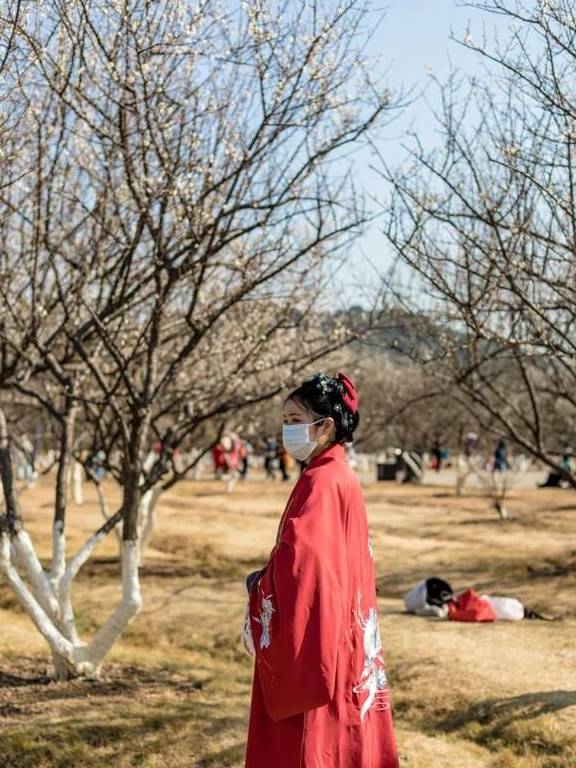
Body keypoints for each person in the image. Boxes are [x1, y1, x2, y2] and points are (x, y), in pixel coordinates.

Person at [244, 372, 398, 768]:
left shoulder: (323, 482)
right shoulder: (339, 475)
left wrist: (260, 586)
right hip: (343, 642)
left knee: (311, 748)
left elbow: (304, 568)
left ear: (325, 425)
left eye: (295, 420)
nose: (287, 429)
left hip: (319, 651)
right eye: (286, 420)